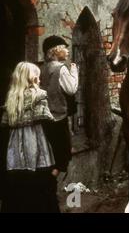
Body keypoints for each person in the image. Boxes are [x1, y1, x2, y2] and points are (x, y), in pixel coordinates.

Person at [0, 62, 59, 212]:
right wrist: (59, 164)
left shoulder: (10, 102)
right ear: (32, 80)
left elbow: (4, 135)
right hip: (40, 160)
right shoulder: (39, 97)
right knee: (43, 203)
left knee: (19, 202)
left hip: (14, 162)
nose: (40, 81)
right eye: (38, 78)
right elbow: (51, 129)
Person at [40, 35, 78, 175]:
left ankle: (48, 186)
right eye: (64, 49)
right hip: (59, 117)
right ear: (55, 51)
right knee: (61, 158)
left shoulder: (43, 68)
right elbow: (71, 89)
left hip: (45, 117)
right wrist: (74, 71)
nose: (67, 51)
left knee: (50, 155)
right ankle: (50, 187)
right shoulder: (61, 69)